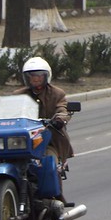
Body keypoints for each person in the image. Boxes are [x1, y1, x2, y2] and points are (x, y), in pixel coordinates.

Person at [13, 56, 74, 206]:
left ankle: (57, 196)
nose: (36, 80)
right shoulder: (17, 95)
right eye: (32, 76)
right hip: (21, 140)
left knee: (49, 163)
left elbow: (62, 108)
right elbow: (7, 112)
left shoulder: (57, 94)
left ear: (46, 76)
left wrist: (60, 118)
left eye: (39, 76)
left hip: (48, 140)